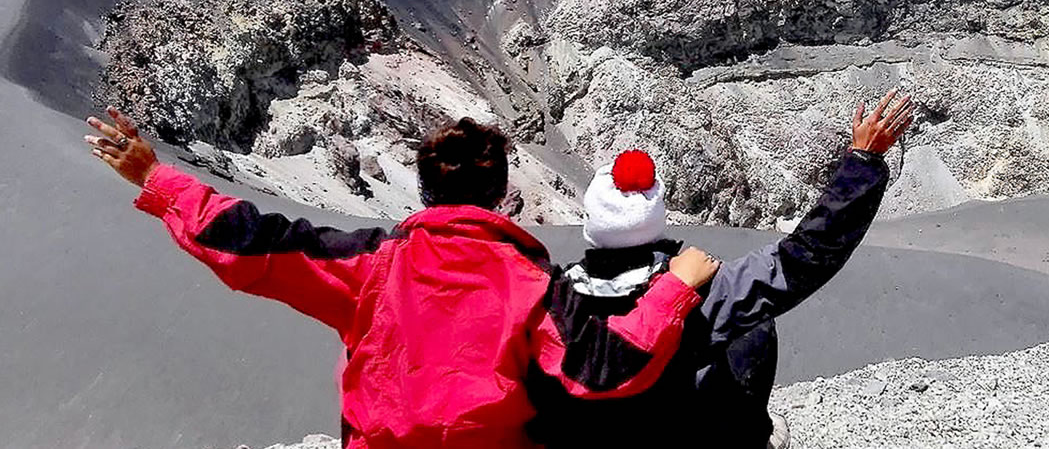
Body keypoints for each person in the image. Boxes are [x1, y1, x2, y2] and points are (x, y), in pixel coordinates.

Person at [83, 110, 721, 449]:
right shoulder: (531, 283)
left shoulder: (369, 265)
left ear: (424, 190)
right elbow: (605, 366)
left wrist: (156, 178)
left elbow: (251, 242)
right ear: (502, 197)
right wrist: (677, 285)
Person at [526, 89, 914, 449]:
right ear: (656, 219)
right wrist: (863, 161)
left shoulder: (548, 298)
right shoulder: (707, 290)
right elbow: (806, 254)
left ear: (591, 223)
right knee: (752, 323)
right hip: (678, 432)